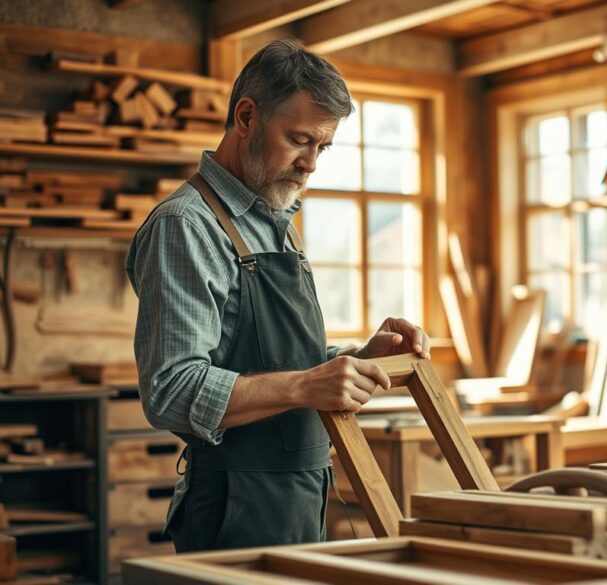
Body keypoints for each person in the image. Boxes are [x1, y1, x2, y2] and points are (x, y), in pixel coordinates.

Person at [125, 39, 430, 552]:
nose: (310, 164)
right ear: (247, 116)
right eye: (299, 139)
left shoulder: (275, 218)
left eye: (322, 148)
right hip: (234, 510)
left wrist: (356, 359)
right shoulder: (187, 226)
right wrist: (306, 386)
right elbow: (172, 391)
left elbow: (278, 360)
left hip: (299, 496)